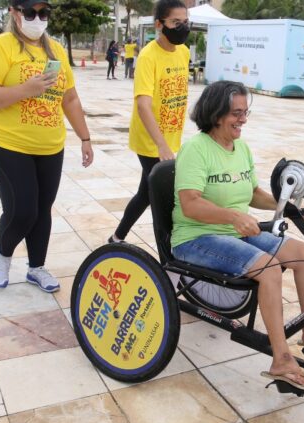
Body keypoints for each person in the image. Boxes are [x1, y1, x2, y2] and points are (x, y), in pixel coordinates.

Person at [171, 81, 304, 391]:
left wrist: (288, 203)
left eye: (245, 112)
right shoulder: (196, 150)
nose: (243, 119)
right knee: (269, 269)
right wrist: (234, 216)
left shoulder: (241, 149)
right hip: (196, 238)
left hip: (233, 234)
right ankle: (280, 359)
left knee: (302, 253)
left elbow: (253, 193)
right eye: (236, 113)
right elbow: (190, 203)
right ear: (215, 114)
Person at [0, 0, 94, 293]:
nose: (38, 19)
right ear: (15, 12)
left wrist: (85, 138)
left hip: (51, 147)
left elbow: (70, 98)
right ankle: (3, 255)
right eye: (30, 12)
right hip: (10, 146)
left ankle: (36, 267)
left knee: (42, 210)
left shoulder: (57, 51)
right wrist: (27, 89)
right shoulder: (1, 47)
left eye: (44, 13)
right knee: (22, 210)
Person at [109, 0, 190, 244]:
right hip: (150, 141)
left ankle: (116, 237)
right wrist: (161, 145)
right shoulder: (148, 56)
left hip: (169, 137)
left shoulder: (184, 52)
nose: (182, 28)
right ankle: (169, 253)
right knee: (164, 194)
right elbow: (143, 104)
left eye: (185, 22)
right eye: (176, 23)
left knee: (145, 194)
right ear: (159, 24)